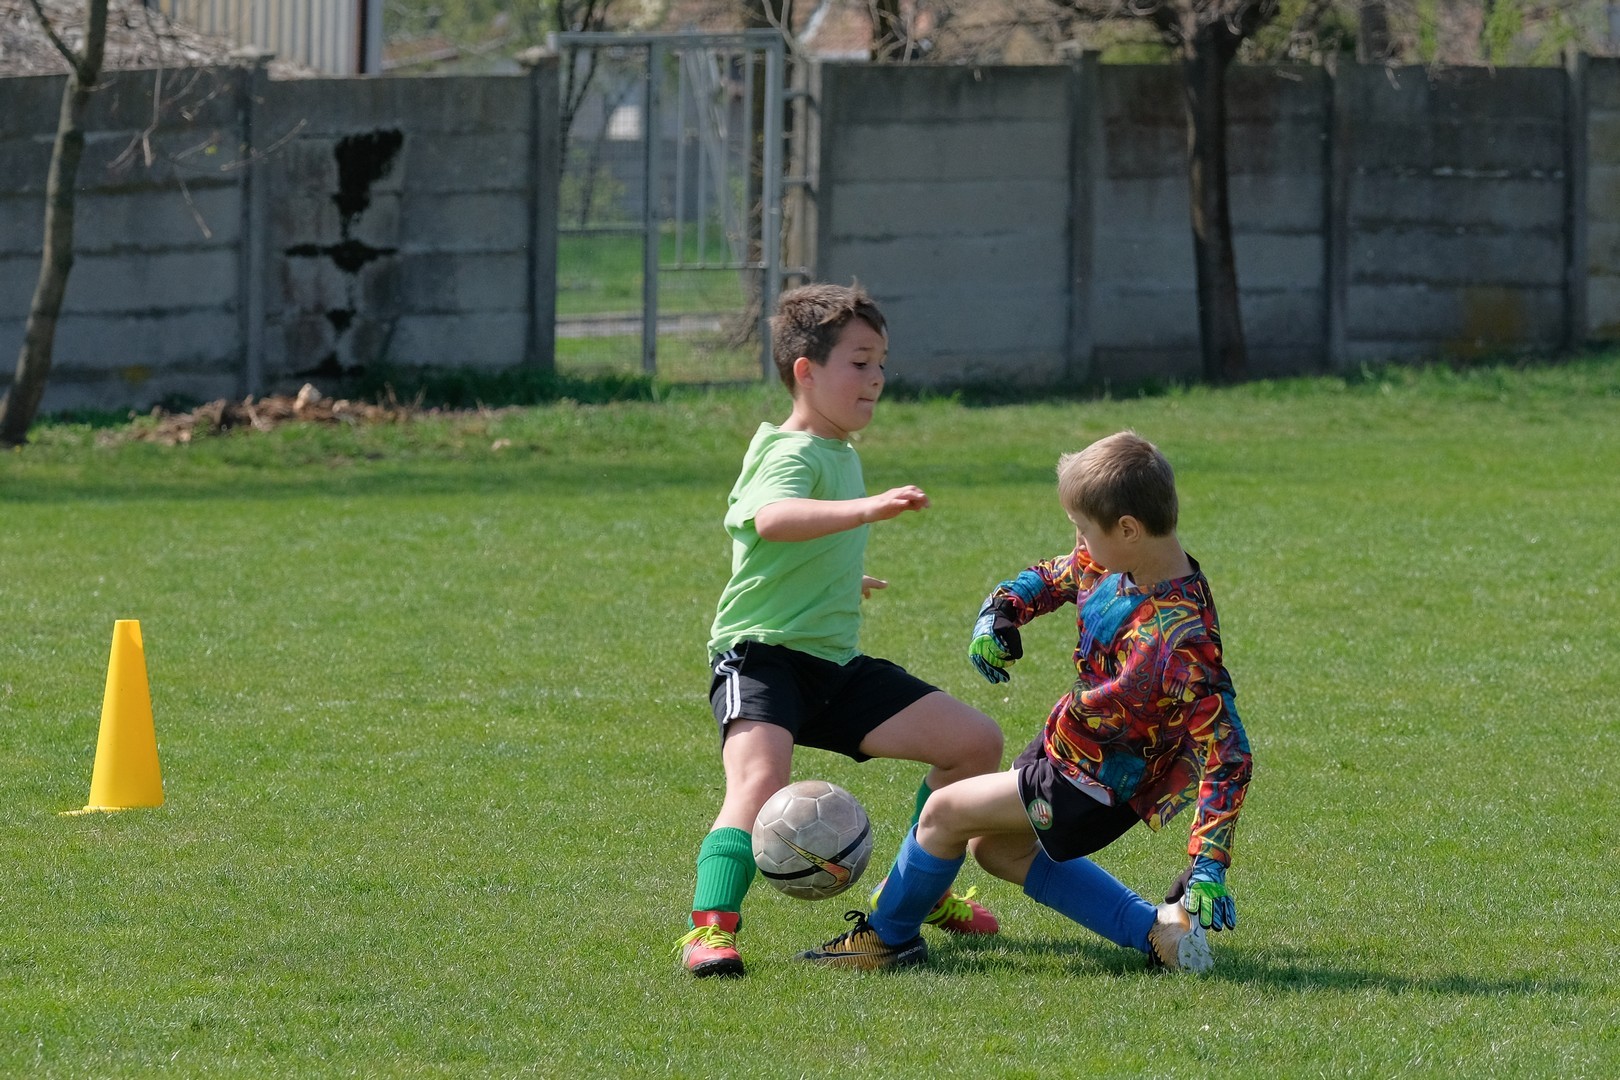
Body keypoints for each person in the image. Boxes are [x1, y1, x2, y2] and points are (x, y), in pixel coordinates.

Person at [797, 430, 1252, 972]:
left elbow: (1229, 752)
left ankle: (885, 939)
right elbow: (1060, 574)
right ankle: (1159, 934)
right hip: (1069, 749)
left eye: (1084, 527)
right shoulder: (1123, 563)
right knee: (995, 848)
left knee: (943, 813)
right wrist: (1002, 611)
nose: (1078, 539)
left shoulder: (1180, 640)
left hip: (1096, 782)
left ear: (1128, 528)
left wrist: (1208, 864)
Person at [677, 282, 1006, 978]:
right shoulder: (793, 452)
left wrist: (840, 578)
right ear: (806, 371)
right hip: (762, 658)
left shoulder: (838, 449)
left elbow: (790, 544)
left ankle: (915, 892)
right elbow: (773, 519)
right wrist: (867, 509)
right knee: (759, 782)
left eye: (881, 362)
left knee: (974, 743)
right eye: (859, 362)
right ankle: (709, 931)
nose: (876, 377)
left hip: (833, 665)